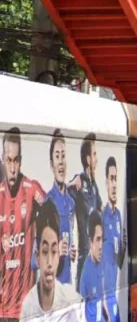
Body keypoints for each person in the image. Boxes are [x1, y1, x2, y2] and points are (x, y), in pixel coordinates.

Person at [0, 127, 46, 321]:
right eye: (9, 160)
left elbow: (51, 211)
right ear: (3, 159)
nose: (12, 168)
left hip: (27, 310)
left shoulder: (31, 189)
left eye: (16, 161)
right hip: (2, 309)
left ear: (21, 161)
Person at [21, 199, 84, 321]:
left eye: (54, 251)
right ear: (37, 255)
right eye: (45, 252)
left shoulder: (69, 300)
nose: (49, 262)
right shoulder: (28, 307)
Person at [37, 130, 78, 286]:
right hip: (52, 291)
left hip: (67, 288)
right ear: (52, 165)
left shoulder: (71, 203)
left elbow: (69, 238)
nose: (61, 161)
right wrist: (55, 253)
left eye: (63, 155)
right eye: (57, 156)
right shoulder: (47, 204)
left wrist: (72, 253)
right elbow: (35, 260)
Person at [69, 133, 102, 290]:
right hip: (83, 258)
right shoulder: (79, 180)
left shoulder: (94, 185)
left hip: (94, 258)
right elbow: (64, 193)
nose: (96, 159)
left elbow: (101, 210)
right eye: (94, 154)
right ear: (88, 159)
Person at [102, 157, 126, 322]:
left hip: (114, 294)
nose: (114, 184)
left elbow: (120, 258)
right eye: (111, 179)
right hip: (103, 298)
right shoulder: (101, 217)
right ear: (106, 182)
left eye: (116, 178)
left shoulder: (118, 215)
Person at [79, 211, 108, 322]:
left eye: (102, 239)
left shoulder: (101, 264)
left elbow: (102, 296)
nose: (101, 246)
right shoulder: (85, 275)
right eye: (97, 239)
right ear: (90, 242)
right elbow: (81, 313)